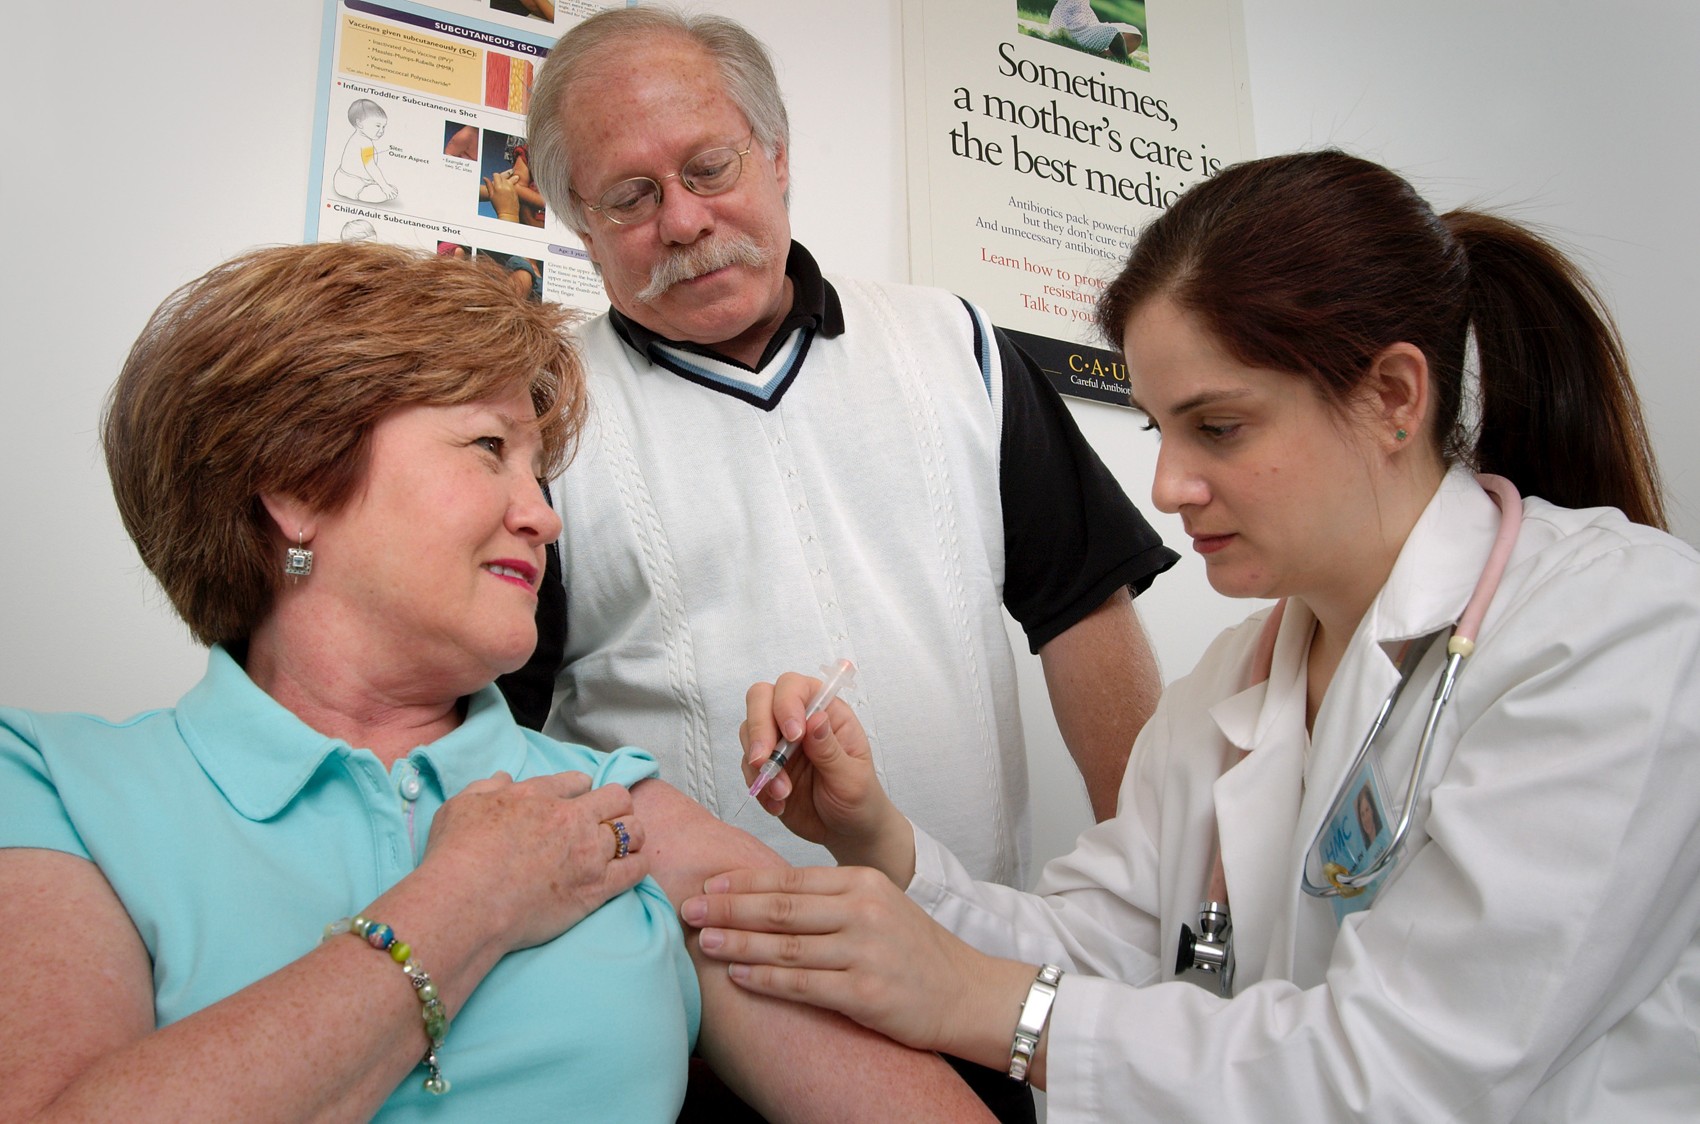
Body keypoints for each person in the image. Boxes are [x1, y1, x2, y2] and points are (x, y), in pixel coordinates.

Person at [682, 151, 1700, 1121]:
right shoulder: (1238, 677)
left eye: (1216, 427)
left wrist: (987, 1005)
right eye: (1157, 428)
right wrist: (881, 842)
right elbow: (1099, 938)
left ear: (1391, 397)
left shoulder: (1610, 627)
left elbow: (1403, 1075)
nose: (1166, 486)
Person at [0, 242, 992, 1121]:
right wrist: (465, 899)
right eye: (488, 449)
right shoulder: (55, 786)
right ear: (299, 485)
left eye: (539, 468)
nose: (544, 516)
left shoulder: (620, 809)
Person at [509, 6, 1177, 892]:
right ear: (580, 229)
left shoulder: (956, 343)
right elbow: (498, 728)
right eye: (629, 197)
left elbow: (1086, 609)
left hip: (965, 954)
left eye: (710, 167)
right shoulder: (540, 419)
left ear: (778, 155)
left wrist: (1153, 888)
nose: (683, 221)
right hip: (691, 987)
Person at [333, 98, 398, 203]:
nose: (381, 131)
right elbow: (371, 166)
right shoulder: (365, 143)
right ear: (359, 124)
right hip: (353, 183)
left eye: (383, 127)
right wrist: (385, 187)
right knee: (385, 192)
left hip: (342, 180)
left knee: (386, 189)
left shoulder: (355, 138)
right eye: (377, 125)